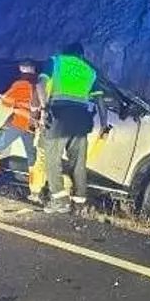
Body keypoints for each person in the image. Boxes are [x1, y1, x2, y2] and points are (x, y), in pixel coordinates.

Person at [37, 42, 109, 213]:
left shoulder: (57, 61)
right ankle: (79, 202)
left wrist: (44, 108)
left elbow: (40, 84)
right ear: (81, 55)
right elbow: (100, 102)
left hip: (59, 115)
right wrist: (104, 125)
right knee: (78, 162)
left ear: (66, 52)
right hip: (81, 119)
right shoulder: (90, 71)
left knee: (52, 158)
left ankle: (59, 199)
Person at [0, 60, 39, 192]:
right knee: (33, 158)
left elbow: (6, 101)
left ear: (23, 69)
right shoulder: (40, 84)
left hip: (18, 121)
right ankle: (35, 190)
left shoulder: (20, 83)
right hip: (33, 125)